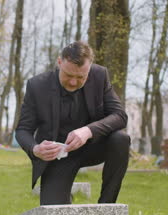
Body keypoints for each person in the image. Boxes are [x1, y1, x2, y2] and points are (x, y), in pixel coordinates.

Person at [15, 41, 130, 205]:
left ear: (89, 68)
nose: (73, 82)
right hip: (58, 156)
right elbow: (23, 130)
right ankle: (65, 195)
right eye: (68, 75)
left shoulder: (100, 75)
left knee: (120, 139)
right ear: (59, 62)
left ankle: (106, 207)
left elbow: (120, 115)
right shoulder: (37, 86)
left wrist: (87, 131)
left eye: (81, 77)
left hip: (93, 147)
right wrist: (35, 149)